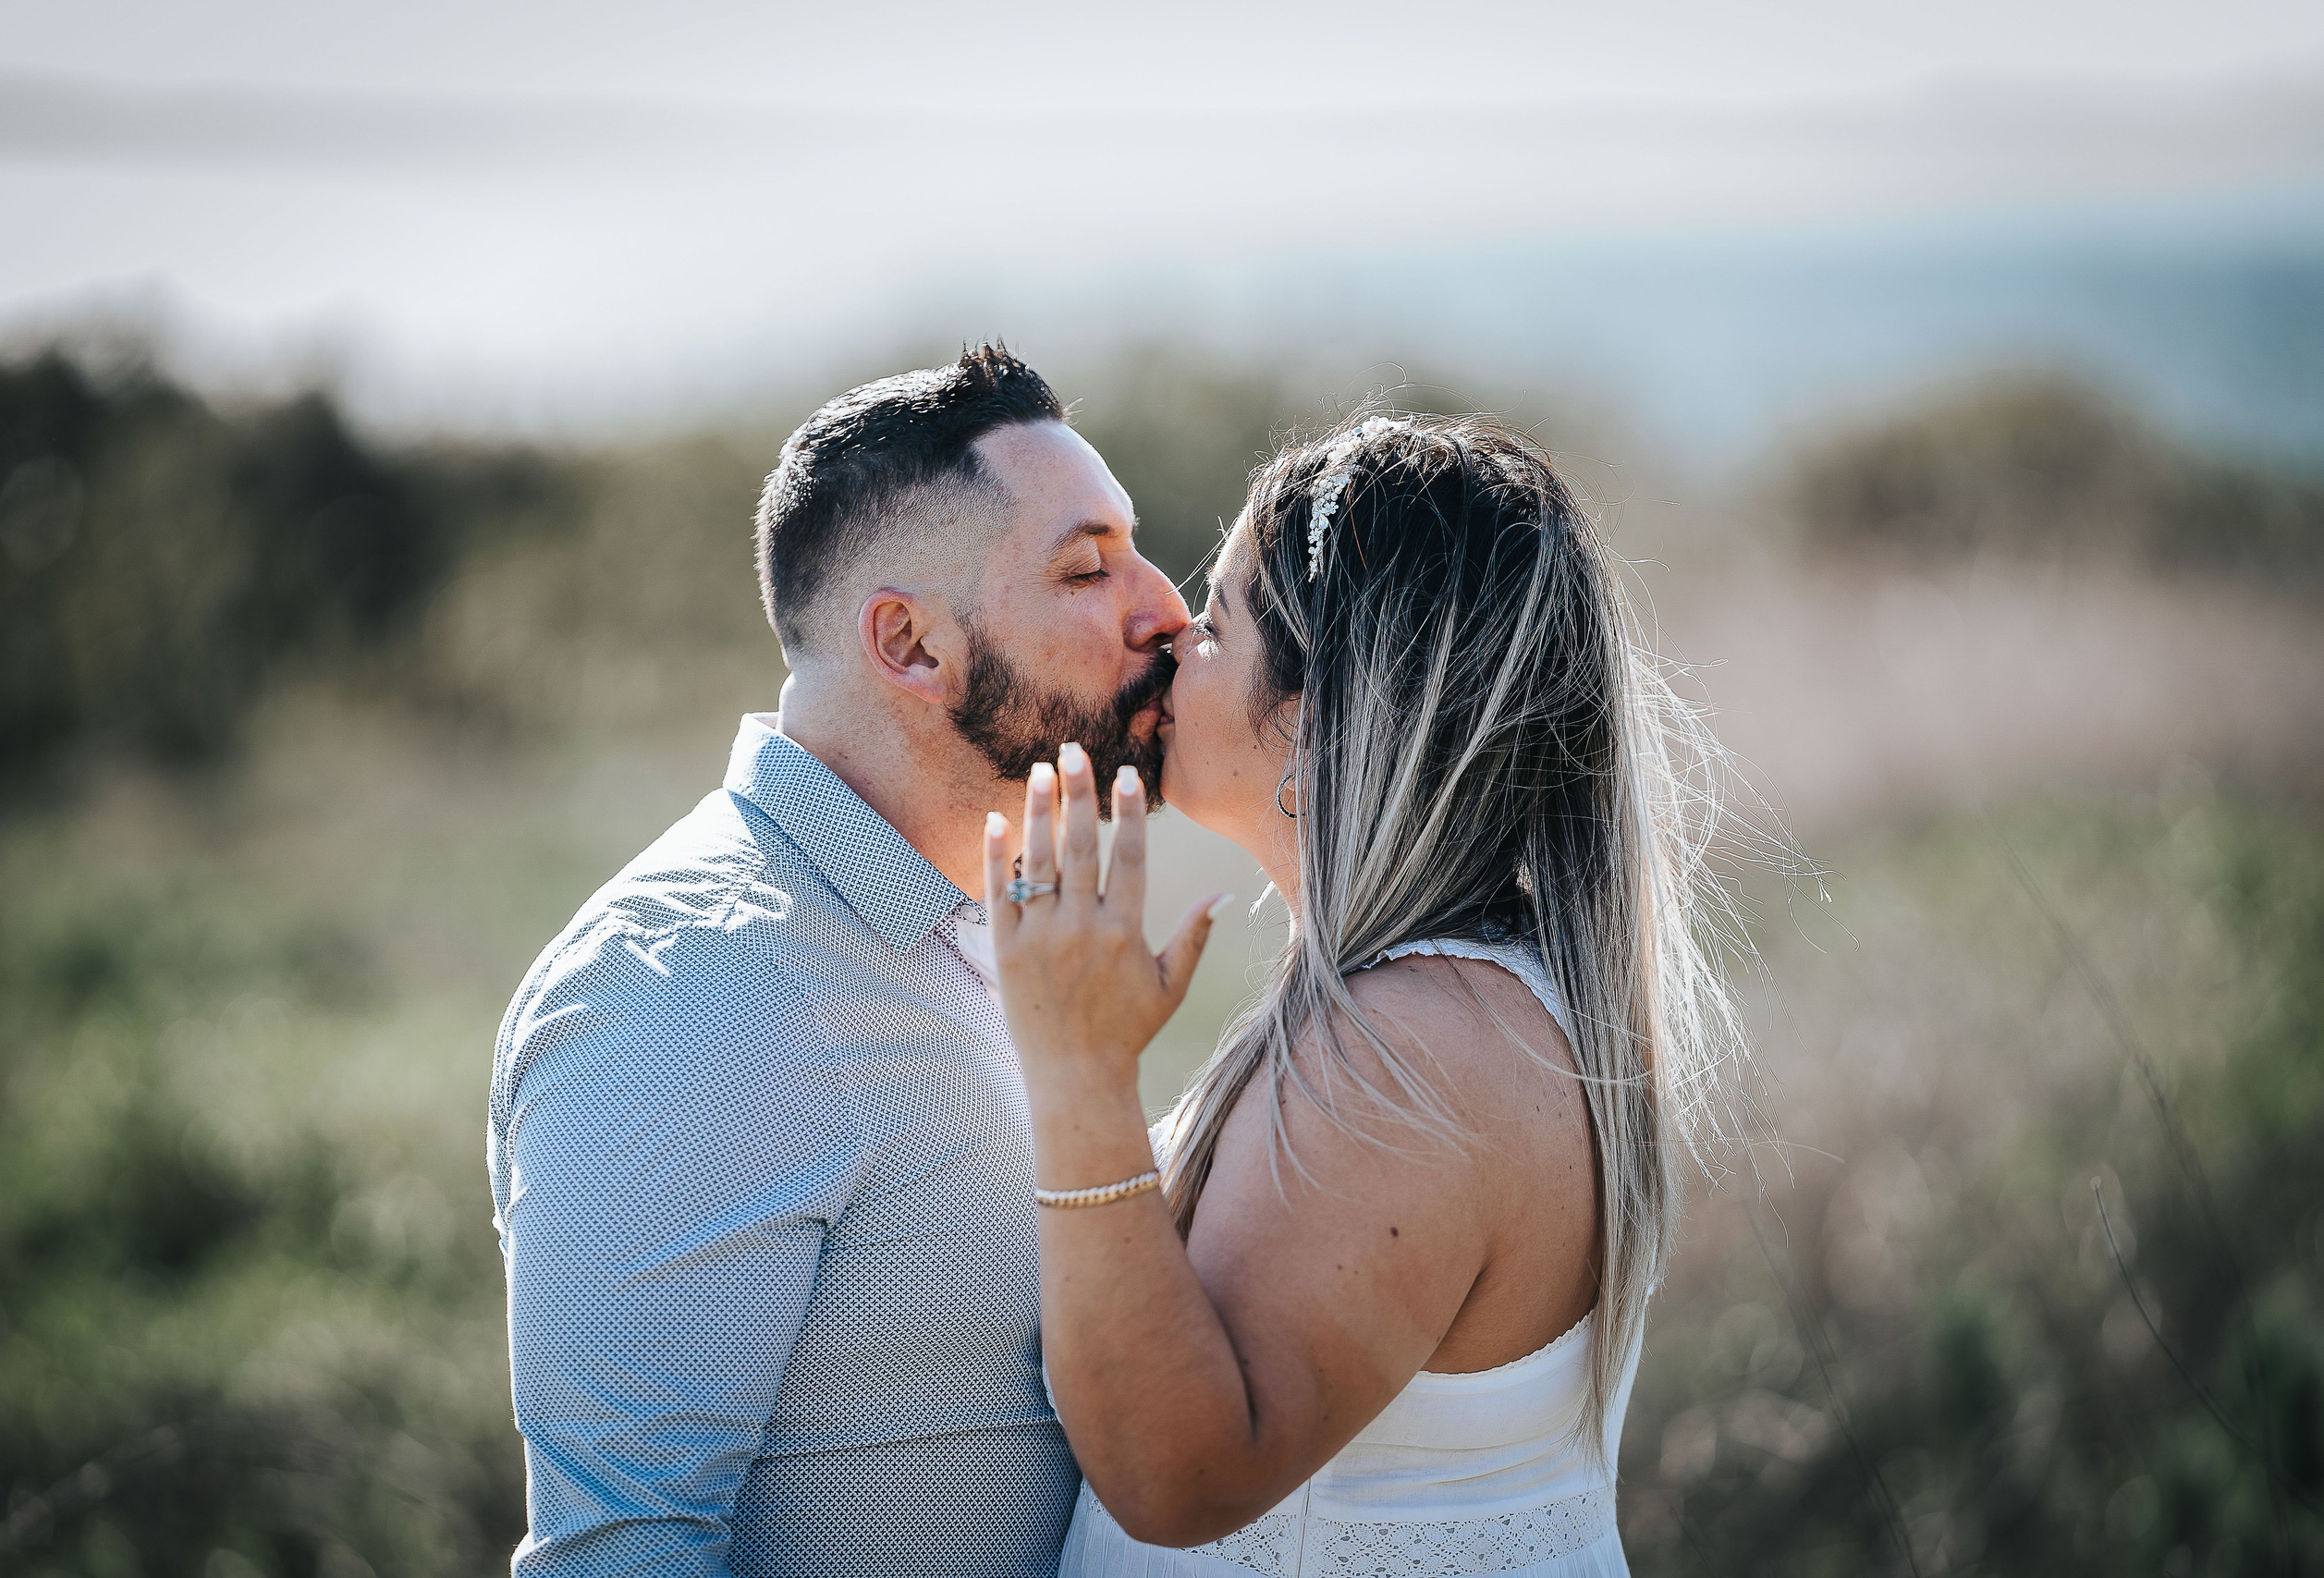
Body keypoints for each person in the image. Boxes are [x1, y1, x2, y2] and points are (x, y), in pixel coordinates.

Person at [983, 414, 1746, 1577]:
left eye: (1220, 620)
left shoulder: (1419, 1044)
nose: (1177, 637)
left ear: (1317, 714)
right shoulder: (1462, 1001)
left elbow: (1177, 1476)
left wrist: (1079, 1074)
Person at [486, 345, 1190, 1576]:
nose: (1166, 607)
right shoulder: (686, 986)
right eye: (1088, 565)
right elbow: (622, 1552)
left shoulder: (983, 927)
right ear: (911, 643)